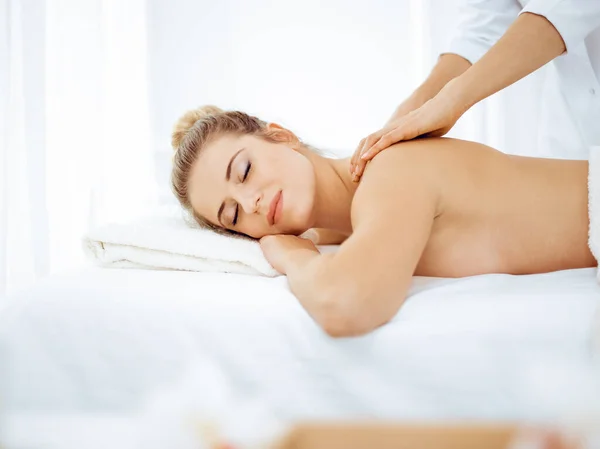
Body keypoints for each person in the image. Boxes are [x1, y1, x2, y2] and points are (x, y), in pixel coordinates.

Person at [170, 106, 598, 337]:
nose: (253, 202)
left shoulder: (390, 171)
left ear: (282, 136)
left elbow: (347, 305)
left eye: (244, 171)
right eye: (234, 215)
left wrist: (293, 257)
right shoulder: (348, 222)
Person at [349, 0, 600, 182]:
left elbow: (569, 6)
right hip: (571, 142)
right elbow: (484, 26)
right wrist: (418, 104)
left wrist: (450, 100)